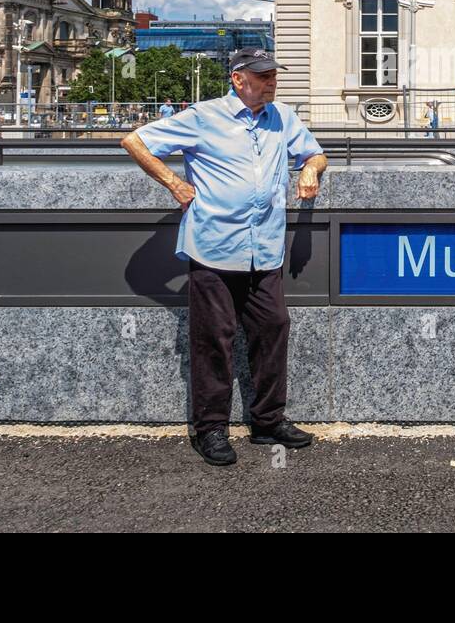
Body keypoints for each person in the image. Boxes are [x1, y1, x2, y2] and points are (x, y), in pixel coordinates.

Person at [120, 48, 327, 467]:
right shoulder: (203, 116)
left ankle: (268, 421)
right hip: (214, 246)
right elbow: (135, 141)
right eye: (263, 76)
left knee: (273, 328)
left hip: (264, 249)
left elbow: (315, 152)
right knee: (213, 340)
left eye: (273, 75)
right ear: (238, 79)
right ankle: (210, 429)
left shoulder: (282, 117)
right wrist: (174, 184)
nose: (271, 82)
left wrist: (310, 169)